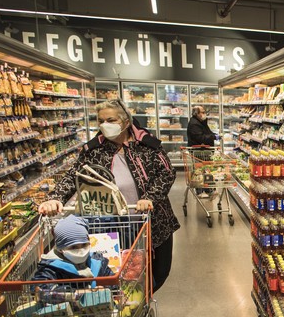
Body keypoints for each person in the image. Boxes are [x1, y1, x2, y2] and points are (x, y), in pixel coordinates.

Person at [38, 100, 180, 292]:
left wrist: (150, 197)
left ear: (125, 121)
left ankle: (142, 298)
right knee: (118, 272)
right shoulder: (94, 150)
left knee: (159, 271)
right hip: (112, 225)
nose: (105, 124)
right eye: (101, 120)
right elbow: (74, 175)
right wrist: (55, 197)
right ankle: (126, 304)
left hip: (153, 221)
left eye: (111, 119)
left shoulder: (146, 145)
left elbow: (167, 172)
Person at [33, 214, 113, 282]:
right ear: (60, 249)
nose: (81, 250)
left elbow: (113, 283)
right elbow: (41, 288)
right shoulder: (51, 268)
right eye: (74, 247)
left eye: (84, 245)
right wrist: (75, 294)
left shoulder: (97, 262)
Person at [187, 106, 217, 198]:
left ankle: (209, 190)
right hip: (198, 151)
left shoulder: (200, 122)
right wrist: (213, 137)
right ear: (196, 114)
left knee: (206, 170)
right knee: (199, 171)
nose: (204, 114)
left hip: (204, 151)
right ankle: (200, 191)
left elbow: (207, 132)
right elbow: (200, 138)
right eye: (202, 112)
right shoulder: (194, 124)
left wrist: (214, 135)